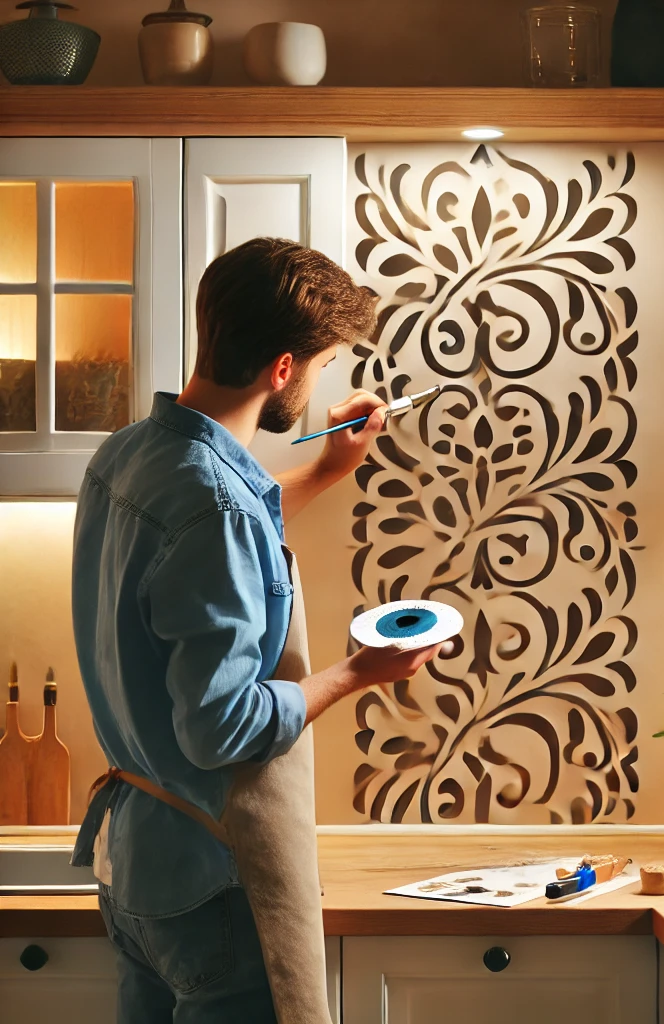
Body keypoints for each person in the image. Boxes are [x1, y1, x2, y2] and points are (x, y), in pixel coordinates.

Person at [70, 237, 442, 1023]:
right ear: (282, 368)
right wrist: (357, 672)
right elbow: (221, 727)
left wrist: (330, 468)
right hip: (215, 886)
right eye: (322, 363)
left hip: (138, 874)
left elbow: (213, 554)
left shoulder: (129, 455)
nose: (317, 384)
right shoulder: (218, 505)